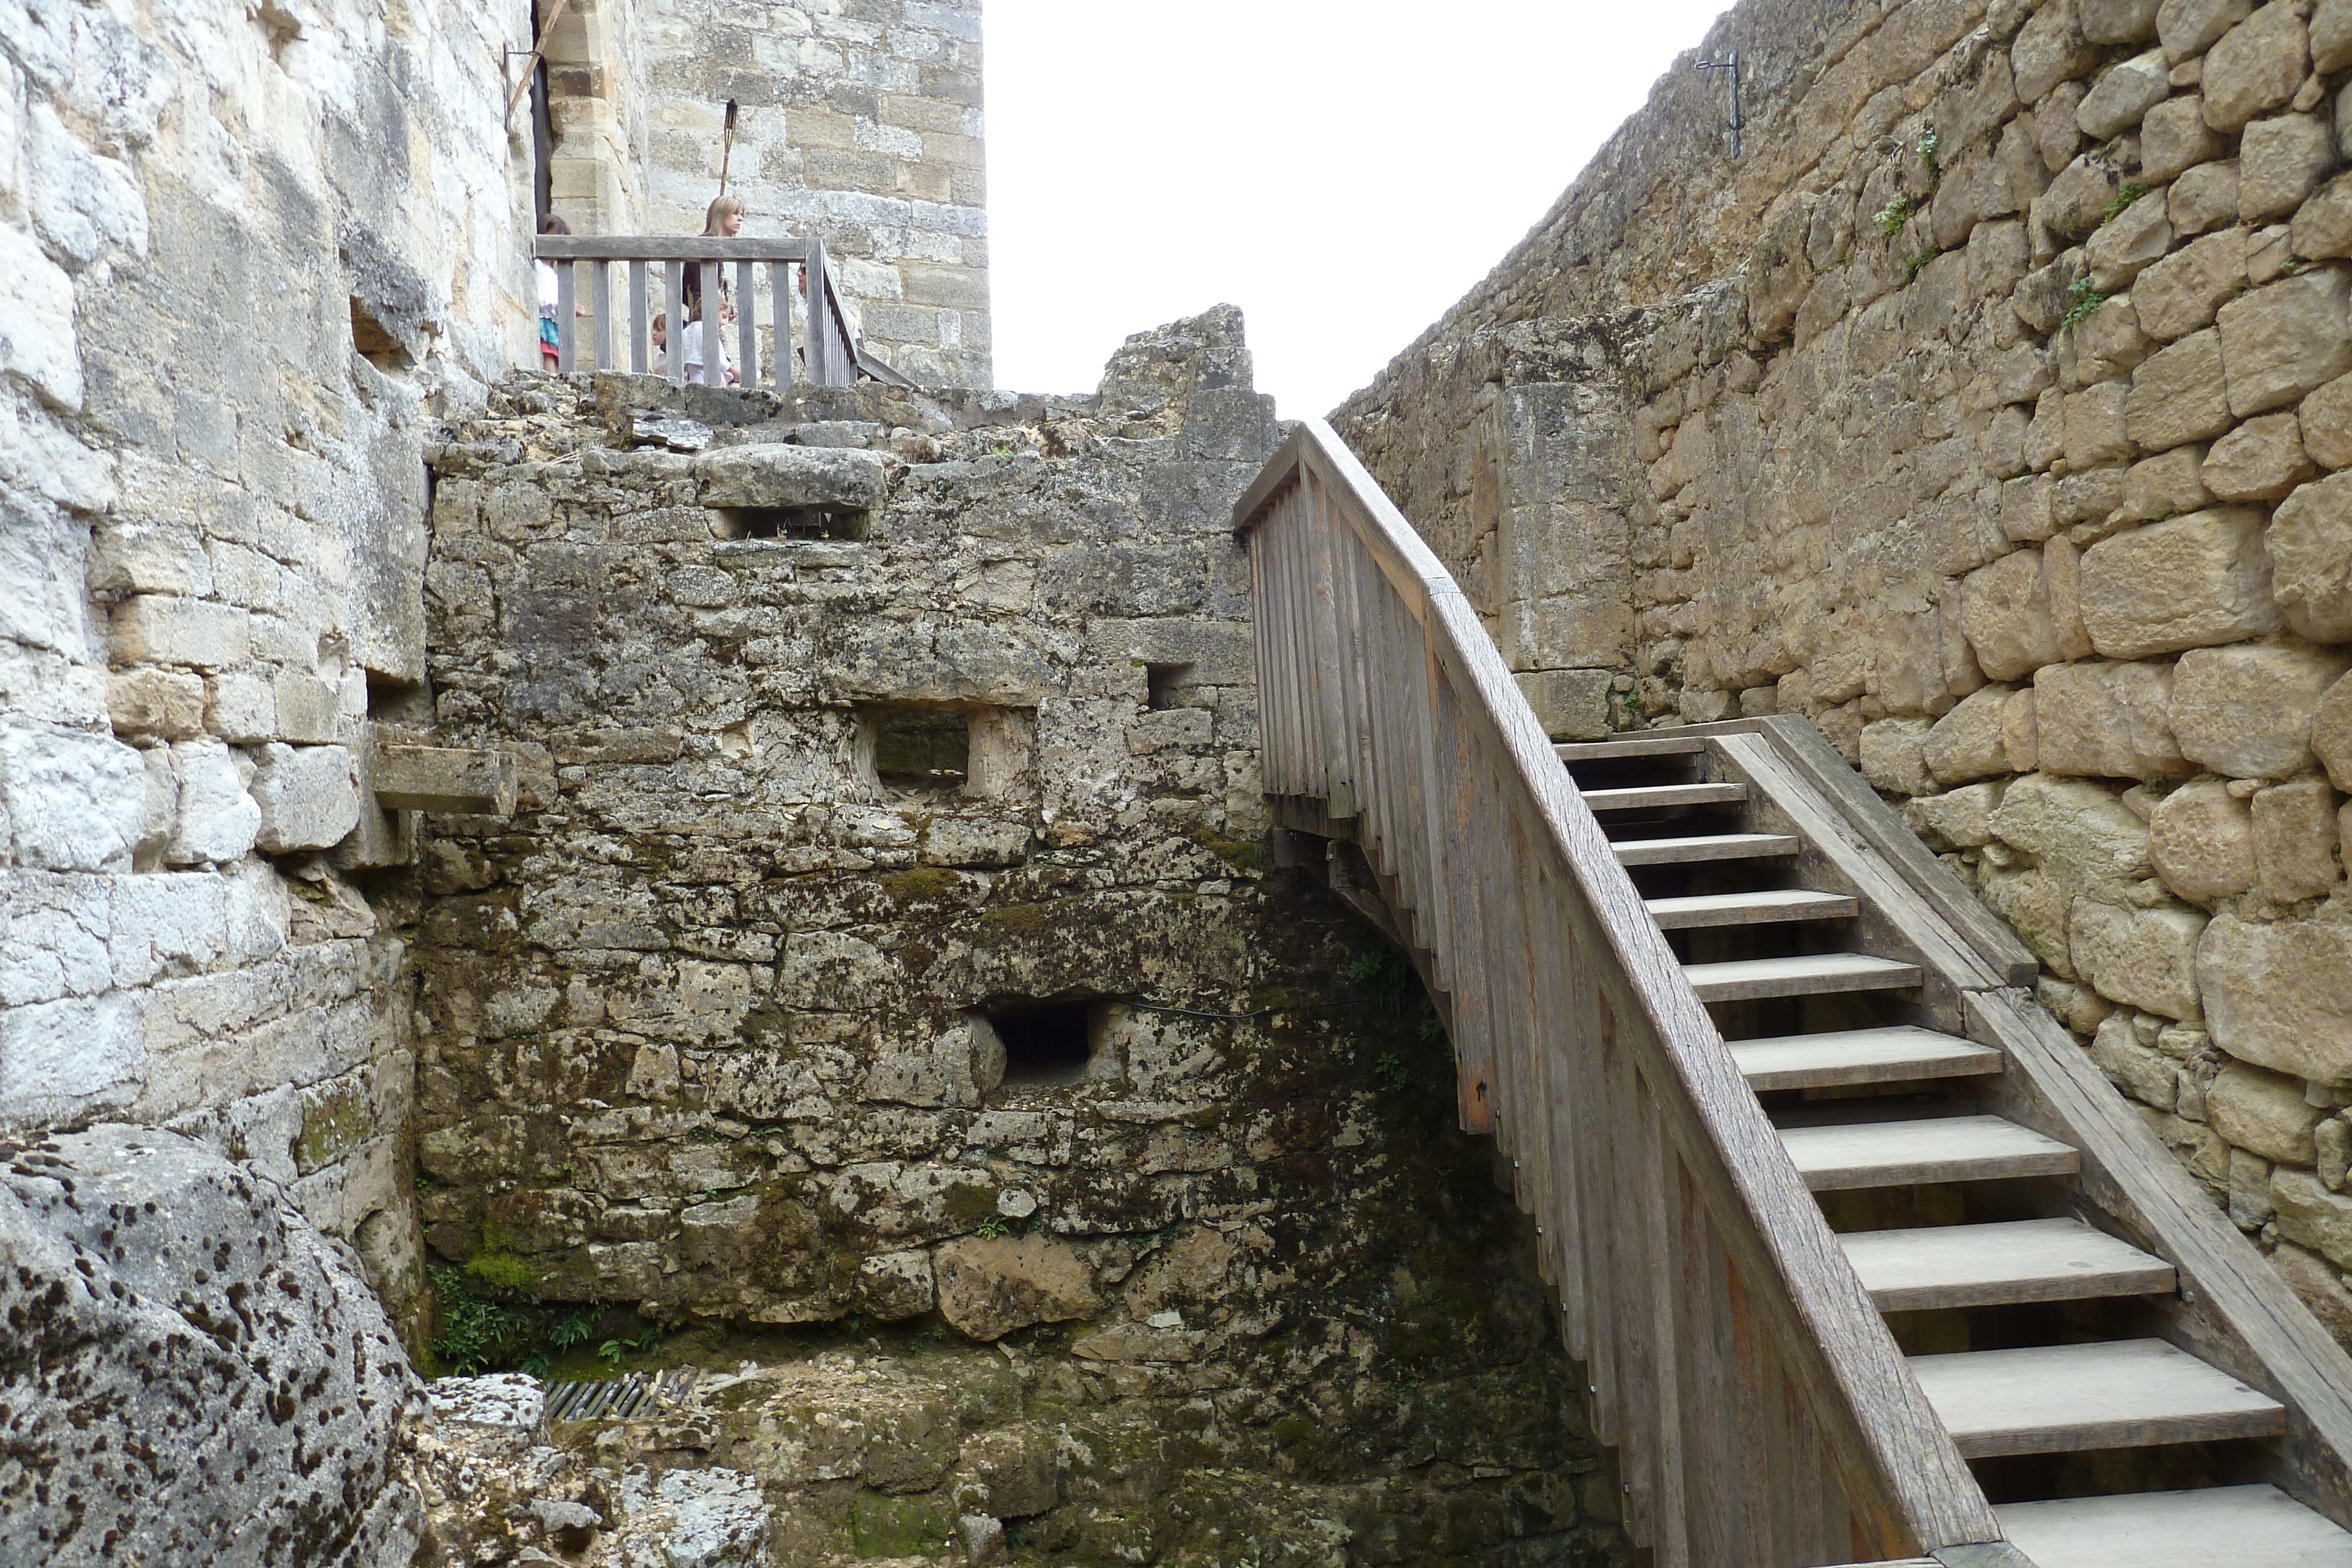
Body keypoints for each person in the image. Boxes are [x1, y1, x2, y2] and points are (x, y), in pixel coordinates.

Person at [534, 214, 589, 369]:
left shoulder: (554, 273)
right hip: (544, 319)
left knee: (556, 354)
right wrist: (561, 306)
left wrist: (571, 306)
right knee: (549, 353)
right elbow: (542, 298)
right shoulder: (538, 267)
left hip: (553, 321)